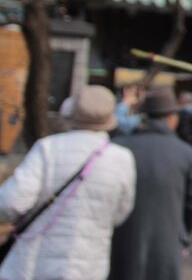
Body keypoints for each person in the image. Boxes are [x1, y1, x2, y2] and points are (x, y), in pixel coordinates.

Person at [0, 86, 136, 280]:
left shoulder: (48, 148)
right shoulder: (122, 158)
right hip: (89, 267)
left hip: (34, 264)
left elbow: (11, 202)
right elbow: (120, 213)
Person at [109, 88, 192, 280]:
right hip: (167, 240)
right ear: (171, 118)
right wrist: (183, 235)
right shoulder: (185, 153)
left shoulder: (119, 147)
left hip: (121, 239)